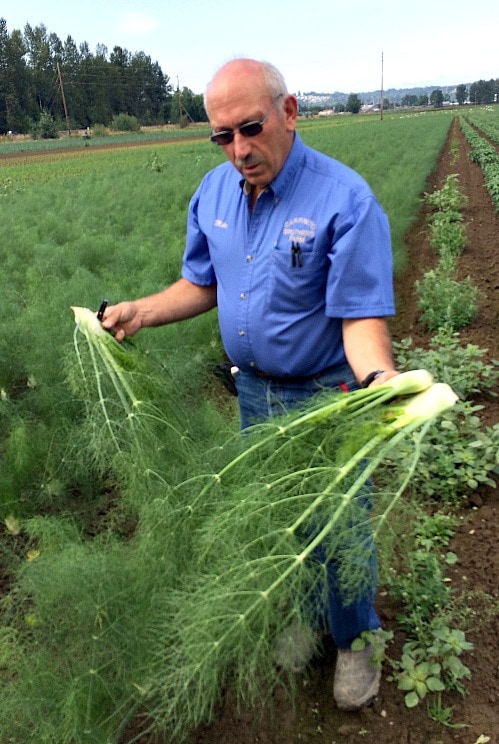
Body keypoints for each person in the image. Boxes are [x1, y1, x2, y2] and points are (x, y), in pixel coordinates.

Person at [101, 57, 399, 710]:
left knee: (340, 528)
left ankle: (355, 639)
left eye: (250, 127)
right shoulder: (212, 194)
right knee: (276, 518)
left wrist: (379, 378)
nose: (238, 149)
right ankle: (300, 614)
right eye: (222, 136)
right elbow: (201, 284)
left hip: (327, 396)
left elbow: (359, 320)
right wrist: (138, 312)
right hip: (254, 395)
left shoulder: (343, 200)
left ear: (288, 114)